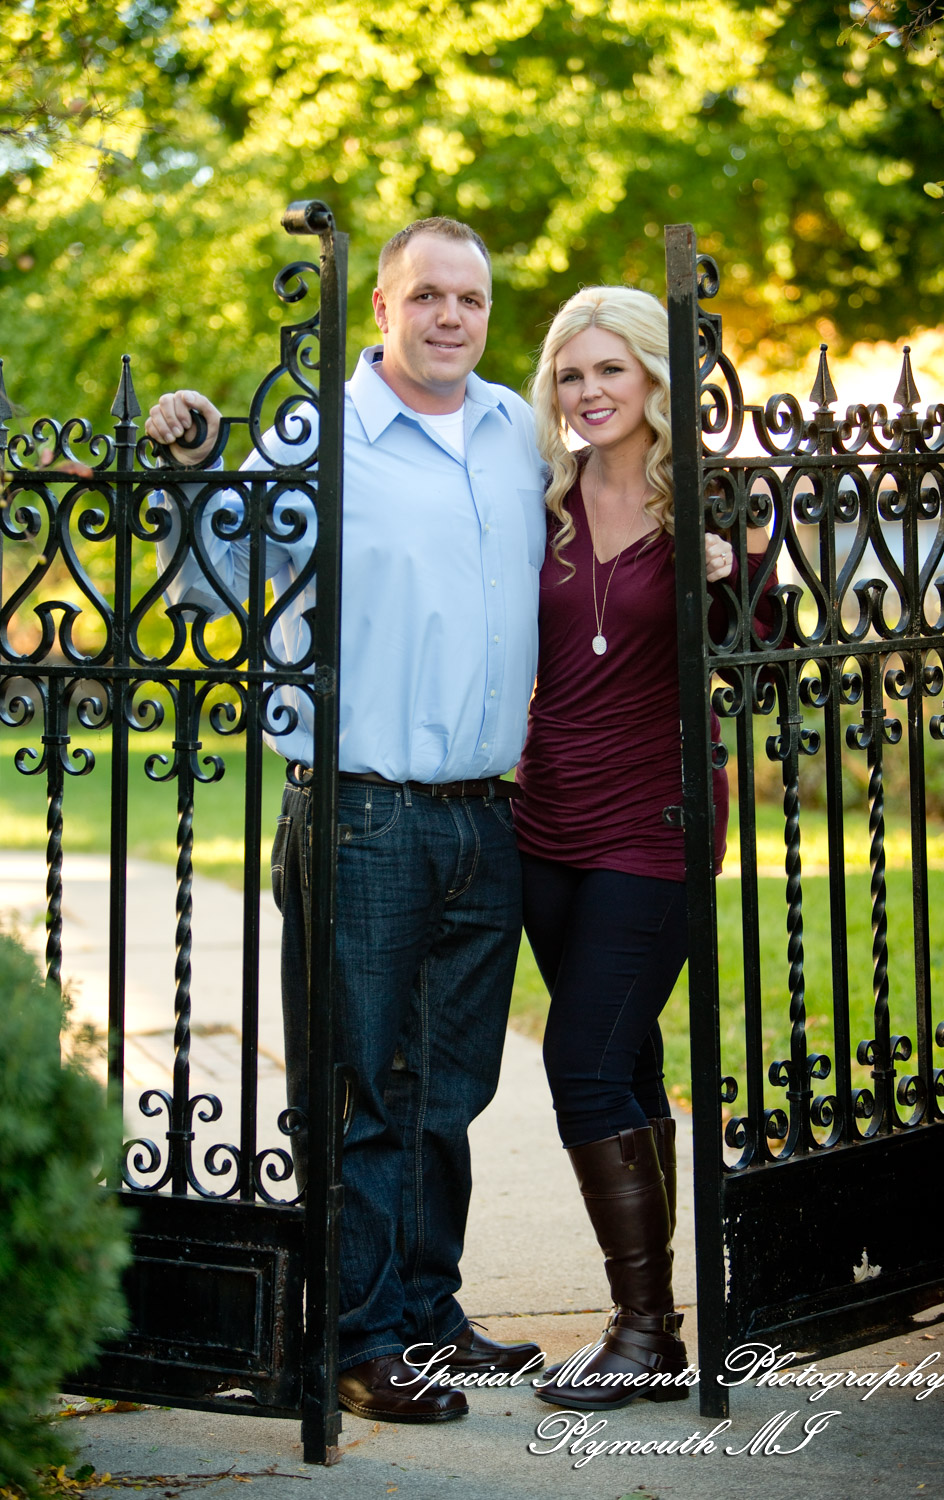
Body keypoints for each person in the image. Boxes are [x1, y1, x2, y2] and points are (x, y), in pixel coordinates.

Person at [144, 218, 546, 1424]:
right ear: (381, 306)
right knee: (365, 1087)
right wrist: (189, 471)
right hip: (362, 812)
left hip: (486, 816)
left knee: (449, 1093)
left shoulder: (514, 430)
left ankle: (428, 1312)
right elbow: (220, 578)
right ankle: (364, 1343)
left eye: (469, 299)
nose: (450, 317)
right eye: (426, 295)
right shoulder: (320, 437)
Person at [514, 285, 773, 1410]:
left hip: (655, 817)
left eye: (609, 369)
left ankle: (639, 1329)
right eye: (571, 374)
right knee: (619, 1064)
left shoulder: (713, 497)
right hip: (544, 814)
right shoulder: (544, 496)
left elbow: (762, 653)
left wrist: (733, 573)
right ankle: (656, 1330)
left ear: (655, 378)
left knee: (578, 1061)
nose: (588, 392)